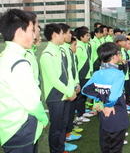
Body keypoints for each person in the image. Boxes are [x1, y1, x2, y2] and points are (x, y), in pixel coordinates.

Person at [0, 9, 48, 153]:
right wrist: (43, 119)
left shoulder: (7, 55)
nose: (35, 35)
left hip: (10, 125)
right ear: (20, 33)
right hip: (20, 128)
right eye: (32, 30)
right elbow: (32, 101)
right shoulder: (19, 61)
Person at [82, 42, 130, 153]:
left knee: (105, 145)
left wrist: (100, 99)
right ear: (114, 56)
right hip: (116, 115)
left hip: (103, 116)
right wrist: (108, 105)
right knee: (116, 148)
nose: (121, 55)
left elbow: (85, 90)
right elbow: (113, 96)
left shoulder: (98, 73)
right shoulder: (118, 74)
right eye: (119, 53)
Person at [40, 23, 77, 152]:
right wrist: (69, 91)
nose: (66, 36)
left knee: (63, 126)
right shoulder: (47, 55)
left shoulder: (62, 51)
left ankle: (61, 149)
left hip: (66, 95)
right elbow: (53, 79)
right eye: (63, 33)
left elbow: (69, 72)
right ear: (55, 35)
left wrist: (71, 90)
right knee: (56, 128)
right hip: (55, 97)